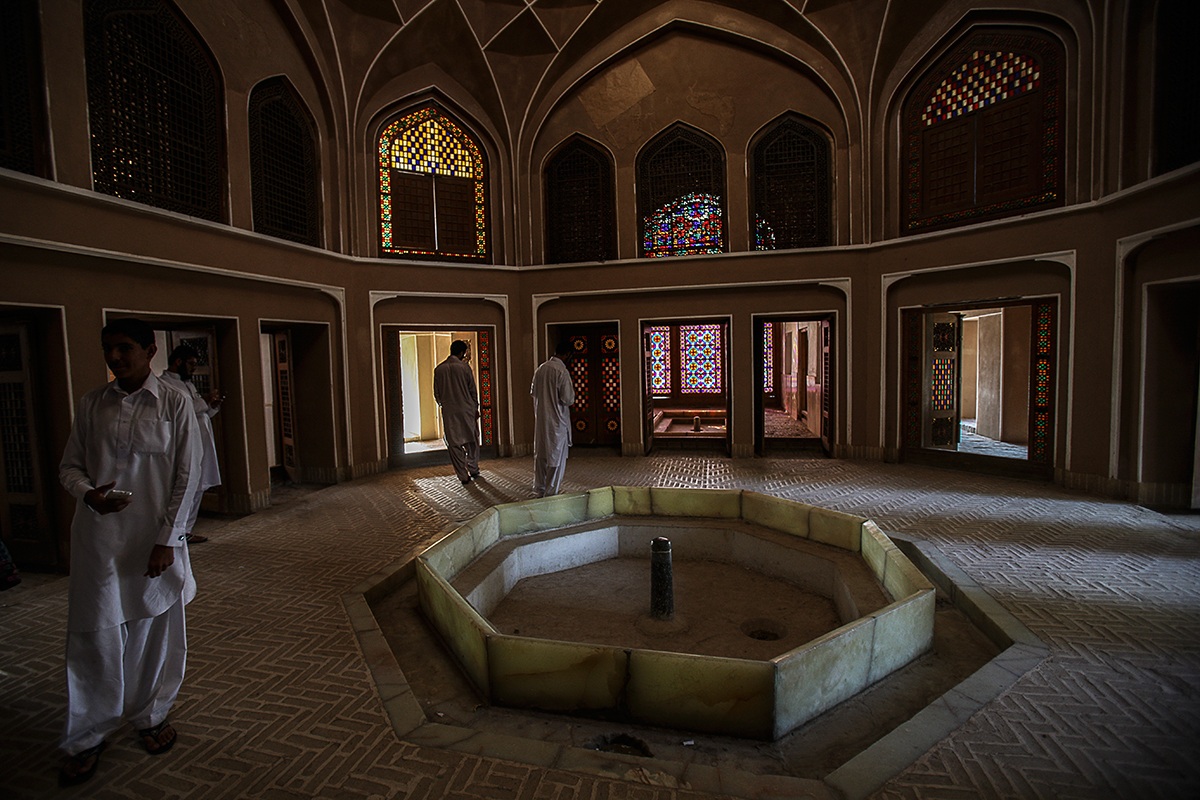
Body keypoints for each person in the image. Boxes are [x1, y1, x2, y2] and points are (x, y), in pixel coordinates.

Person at [57, 318, 201, 786]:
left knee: (153, 633)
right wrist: (87, 493)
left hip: (153, 544)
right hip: (98, 542)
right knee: (93, 636)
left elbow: (187, 477)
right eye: (108, 350)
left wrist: (168, 541)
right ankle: (86, 735)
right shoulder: (93, 404)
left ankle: (150, 715)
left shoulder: (175, 403)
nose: (115, 358)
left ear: (149, 349)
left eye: (123, 349)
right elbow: (70, 466)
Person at [161, 344, 223, 542]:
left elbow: (200, 411)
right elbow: (182, 411)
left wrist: (212, 406)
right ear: (178, 362)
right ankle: (177, 532)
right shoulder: (165, 385)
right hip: (185, 444)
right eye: (191, 364)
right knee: (186, 484)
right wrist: (204, 401)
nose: (194, 369)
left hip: (202, 442)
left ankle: (187, 530)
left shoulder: (188, 384)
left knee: (200, 485)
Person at [530, 337, 576, 497]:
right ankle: (551, 493)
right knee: (556, 458)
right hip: (557, 422)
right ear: (568, 354)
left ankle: (539, 489)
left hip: (542, 420)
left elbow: (533, 393)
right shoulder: (561, 372)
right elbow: (568, 399)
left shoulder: (540, 369)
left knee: (541, 456)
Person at [433, 339, 482, 485]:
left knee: (454, 444)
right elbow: (472, 390)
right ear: (462, 352)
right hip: (466, 410)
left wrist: (445, 405)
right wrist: (475, 408)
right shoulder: (464, 368)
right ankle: (473, 468)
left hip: (449, 412)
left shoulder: (439, 369)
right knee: (472, 441)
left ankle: (463, 475)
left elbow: (437, 394)